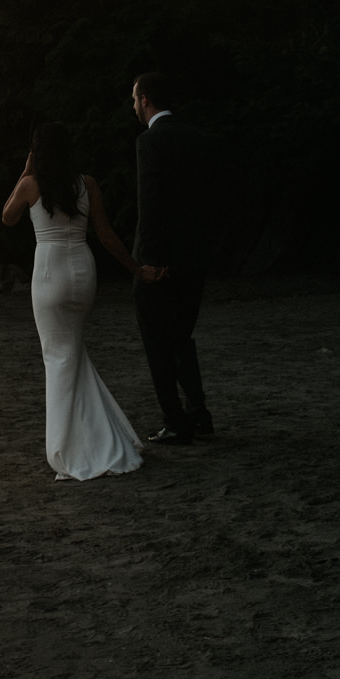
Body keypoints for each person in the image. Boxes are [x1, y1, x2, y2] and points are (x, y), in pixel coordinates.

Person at [1, 121, 145, 480]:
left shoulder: (30, 185)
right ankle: (103, 436)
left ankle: (66, 449)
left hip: (50, 273)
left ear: (37, 152)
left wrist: (24, 171)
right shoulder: (87, 184)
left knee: (58, 359)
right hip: (82, 271)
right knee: (72, 354)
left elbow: (7, 217)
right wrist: (136, 269)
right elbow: (107, 235)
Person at [129, 71, 214, 445]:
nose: (133, 105)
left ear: (146, 100)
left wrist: (147, 262)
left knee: (157, 340)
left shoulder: (150, 142)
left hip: (160, 260)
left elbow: (151, 205)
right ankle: (200, 414)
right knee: (181, 336)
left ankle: (175, 419)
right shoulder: (197, 138)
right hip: (194, 257)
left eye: (134, 98)